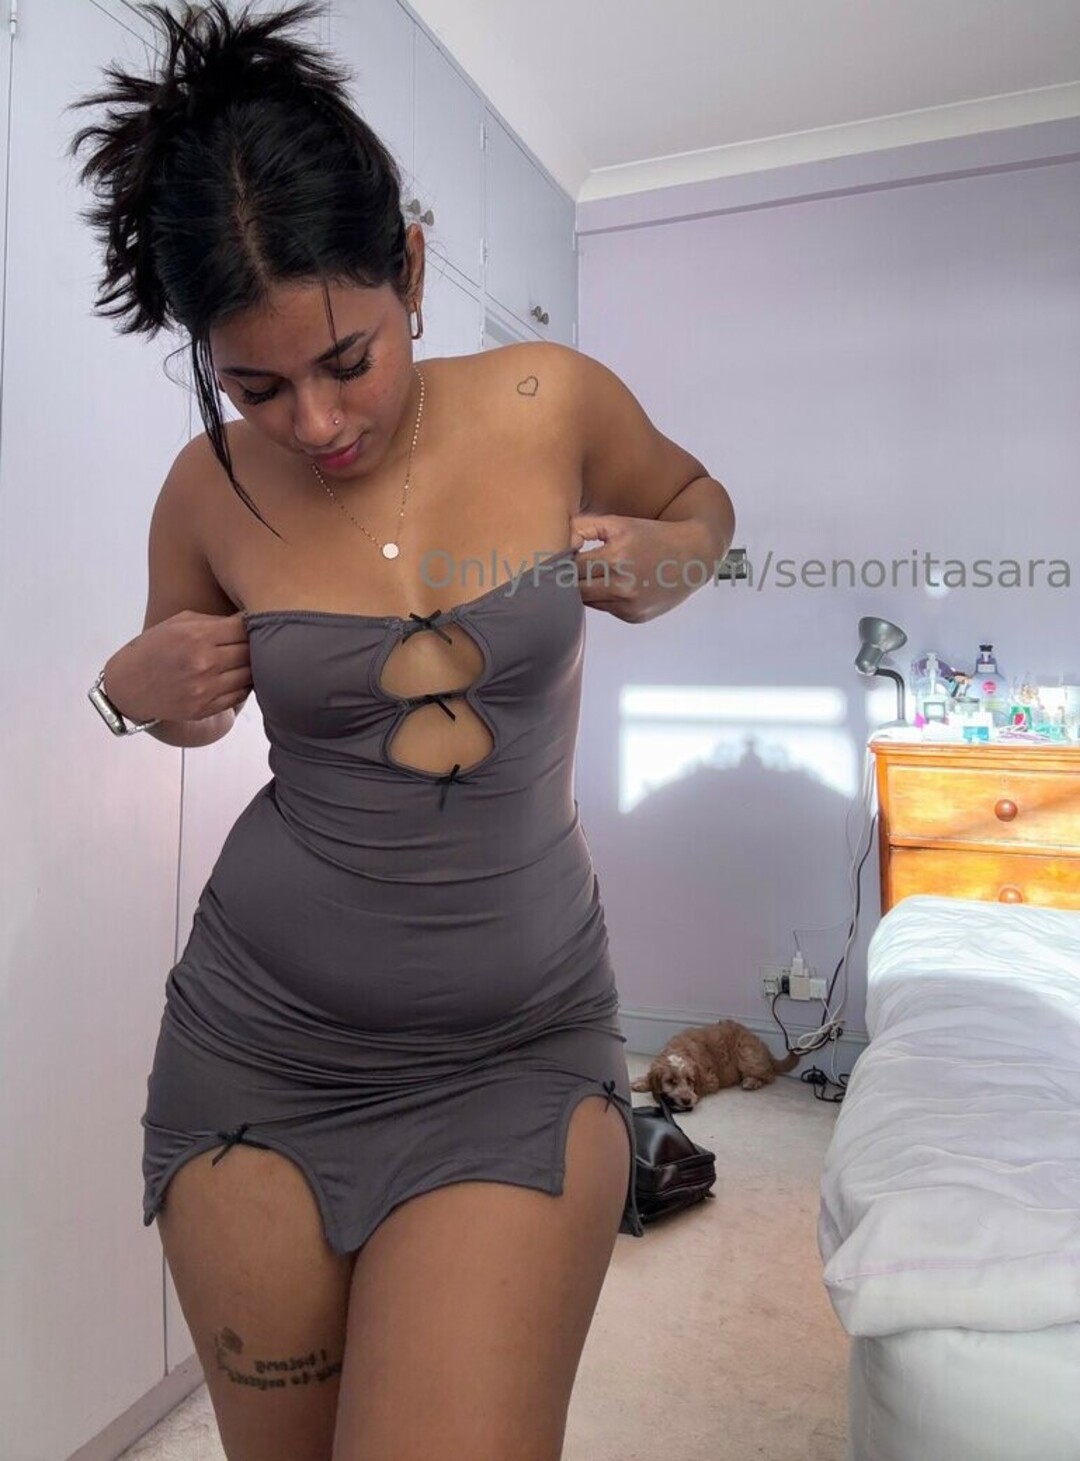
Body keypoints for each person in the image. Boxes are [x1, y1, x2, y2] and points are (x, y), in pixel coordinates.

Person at [71, 3, 734, 1458]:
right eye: (256, 387)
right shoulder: (203, 492)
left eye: (346, 360)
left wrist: (670, 559)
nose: (314, 423)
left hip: (517, 1047)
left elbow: (704, 508)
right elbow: (187, 714)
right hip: (256, 1053)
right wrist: (130, 690)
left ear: (413, 273)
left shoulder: (550, 400)